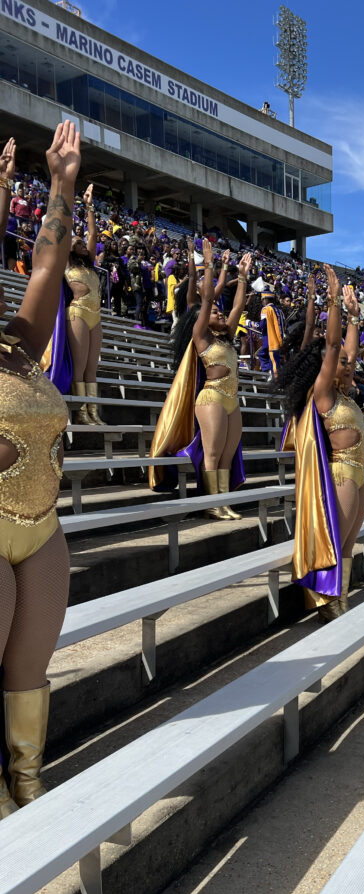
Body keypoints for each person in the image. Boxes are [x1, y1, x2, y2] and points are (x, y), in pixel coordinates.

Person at [0, 122, 80, 817]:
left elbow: (48, 268)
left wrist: (60, 184)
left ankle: (28, 781)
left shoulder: (21, 344)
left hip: (42, 529)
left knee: (29, 670)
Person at [277, 265, 364, 619]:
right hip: (341, 471)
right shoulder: (323, 394)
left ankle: (339, 596)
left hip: (357, 473)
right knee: (336, 539)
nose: (348, 363)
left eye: (347, 361)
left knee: (348, 543)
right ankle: (325, 601)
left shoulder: (344, 395)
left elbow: (349, 352)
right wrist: (334, 305)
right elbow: (332, 345)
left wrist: (355, 319)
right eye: (341, 362)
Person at [149, 239, 252, 519]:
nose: (219, 312)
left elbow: (239, 307)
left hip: (231, 400)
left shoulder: (226, 336)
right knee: (213, 453)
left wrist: (241, 277)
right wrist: (208, 265)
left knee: (228, 456)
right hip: (212, 398)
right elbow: (207, 298)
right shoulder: (202, 336)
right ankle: (210, 503)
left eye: (220, 311)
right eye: (215, 313)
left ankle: (224, 502)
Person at [63, 183, 105, 423]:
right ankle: (80, 412)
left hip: (95, 316)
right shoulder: (66, 264)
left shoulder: (88, 265)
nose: (80, 244)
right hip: (77, 313)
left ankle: (93, 411)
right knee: (79, 366)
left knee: (92, 367)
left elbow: (93, 234)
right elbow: (62, 231)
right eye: (76, 242)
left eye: (81, 242)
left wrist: (89, 207)